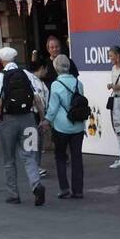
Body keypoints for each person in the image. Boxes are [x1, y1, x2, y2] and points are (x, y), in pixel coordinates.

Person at [0, 46, 47, 206]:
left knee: (9, 159)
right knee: (30, 156)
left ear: (2, 61)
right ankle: (36, 185)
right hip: (28, 119)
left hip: (8, 121)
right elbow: (38, 100)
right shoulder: (27, 74)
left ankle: (13, 194)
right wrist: (41, 119)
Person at [44, 54, 87, 199]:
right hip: (78, 126)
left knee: (60, 157)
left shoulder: (55, 85)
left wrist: (46, 121)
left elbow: (53, 108)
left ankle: (64, 188)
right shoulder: (78, 83)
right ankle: (78, 190)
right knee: (77, 157)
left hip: (61, 127)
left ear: (56, 68)